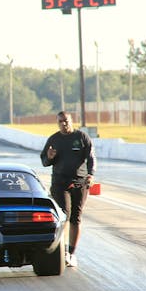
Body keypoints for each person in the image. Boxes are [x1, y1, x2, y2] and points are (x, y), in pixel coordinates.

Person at [40, 111, 96, 268]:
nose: (64, 124)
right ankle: (62, 250)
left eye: (66, 121)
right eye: (60, 122)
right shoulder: (54, 139)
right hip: (60, 183)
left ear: (72, 121)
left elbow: (91, 158)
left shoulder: (82, 138)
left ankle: (71, 253)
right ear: (57, 123)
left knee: (76, 218)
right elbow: (44, 161)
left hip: (80, 183)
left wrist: (91, 175)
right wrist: (50, 157)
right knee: (64, 215)